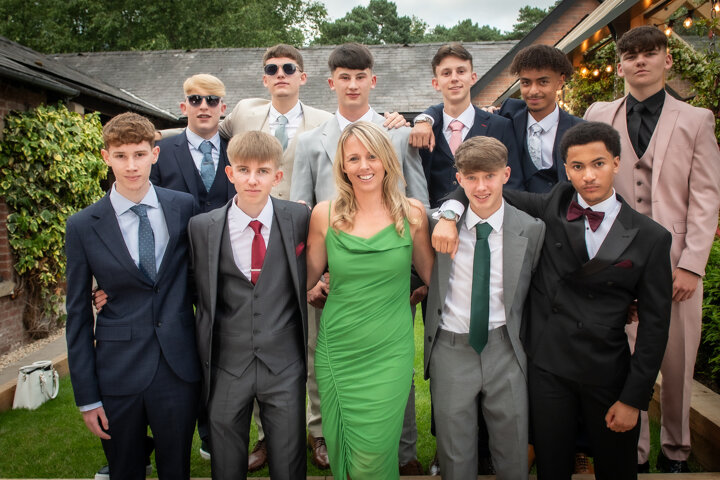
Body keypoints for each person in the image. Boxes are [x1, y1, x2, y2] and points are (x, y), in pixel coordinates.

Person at [433, 121, 673, 479]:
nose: (588, 175)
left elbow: (656, 327)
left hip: (606, 369)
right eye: (577, 166)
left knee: (617, 466)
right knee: (551, 466)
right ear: (566, 170)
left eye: (599, 163)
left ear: (616, 163)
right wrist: (450, 214)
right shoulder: (552, 206)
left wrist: (633, 398)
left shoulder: (651, 237)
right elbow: (479, 185)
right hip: (549, 369)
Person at [584, 25, 720, 473]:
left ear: (667, 59)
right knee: (622, 360)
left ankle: (676, 451)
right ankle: (635, 452)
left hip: (676, 262)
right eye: (631, 55)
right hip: (616, 262)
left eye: (649, 52)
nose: (640, 61)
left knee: (677, 363)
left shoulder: (696, 119)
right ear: (620, 65)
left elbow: (706, 197)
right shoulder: (598, 113)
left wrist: (692, 265)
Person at [291, 42, 429, 475]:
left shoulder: (400, 140)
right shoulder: (314, 165)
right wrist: (315, 282)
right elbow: (299, 233)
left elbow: (431, 260)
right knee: (344, 441)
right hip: (338, 324)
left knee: (380, 436)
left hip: (389, 316)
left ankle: (399, 456)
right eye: (354, 158)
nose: (364, 165)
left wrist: (414, 282)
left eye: (372, 156)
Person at [65, 112, 201, 479]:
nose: (131, 166)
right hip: (118, 370)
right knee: (124, 470)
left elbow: (198, 279)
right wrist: (87, 397)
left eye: (139, 154)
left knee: (177, 470)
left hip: (177, 367)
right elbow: (77, 316)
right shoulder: (82, 225)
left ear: (154, 154)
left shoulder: (183, 206)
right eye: (121, 156)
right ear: (106, 156)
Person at [188, 131, 309, 479]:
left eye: (263, 171)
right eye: (243, 170)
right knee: (226, 463)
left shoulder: (299, 218)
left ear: (277, 176)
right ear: (230, 173)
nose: (253, 180)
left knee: (289, 462)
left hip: (284, 364)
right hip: (227, 363)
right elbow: (189, 287)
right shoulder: (202, 227)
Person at [424, 136, 545, 479]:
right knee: (454, 449)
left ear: (506, 174)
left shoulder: (531, 229)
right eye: (471, 178)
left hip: (505, 346)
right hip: (451, 345)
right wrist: (448, 214)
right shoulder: (436, 225)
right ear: (458, 179)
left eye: (489, 176)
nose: (481, 187)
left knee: (512, 446)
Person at [408, 42, 523, 207]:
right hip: (434, 219)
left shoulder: (500, 126)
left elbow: (513, 185)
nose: (454, 78)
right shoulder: (425, 130)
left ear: (473, 77)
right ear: (436, 83)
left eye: (461, 71)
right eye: (446, 73)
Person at [151, 74, 235, 214]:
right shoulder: (160, 152)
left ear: (223, 108)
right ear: (183, 107)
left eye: (212, 100)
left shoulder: (237, 152)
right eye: (195, 100)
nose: (204, 106)